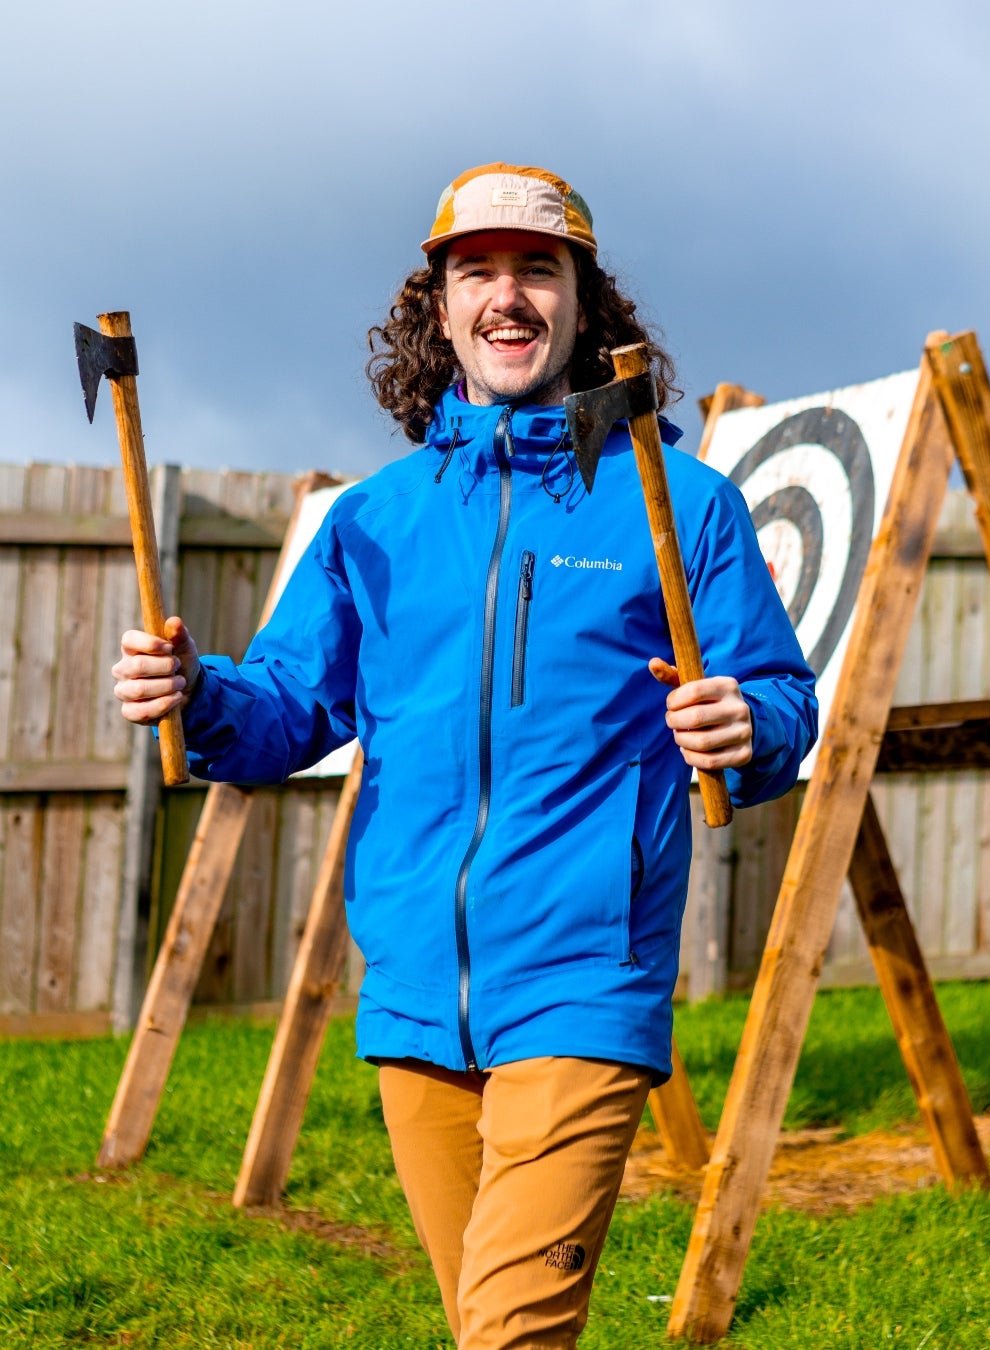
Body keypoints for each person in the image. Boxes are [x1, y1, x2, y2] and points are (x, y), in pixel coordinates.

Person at [112, 162, 817, 1349]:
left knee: (509, 1333)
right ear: (434, 308)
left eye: (537, 269)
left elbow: (785, 701)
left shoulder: (675, 503)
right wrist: (195, 690)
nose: (507, 296)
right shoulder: (372, 523)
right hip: (414, 1006)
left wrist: (751, 726)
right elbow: (288, 705)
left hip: (584, 985)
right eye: (475, 271)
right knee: (481, 1324)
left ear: (585, 303)